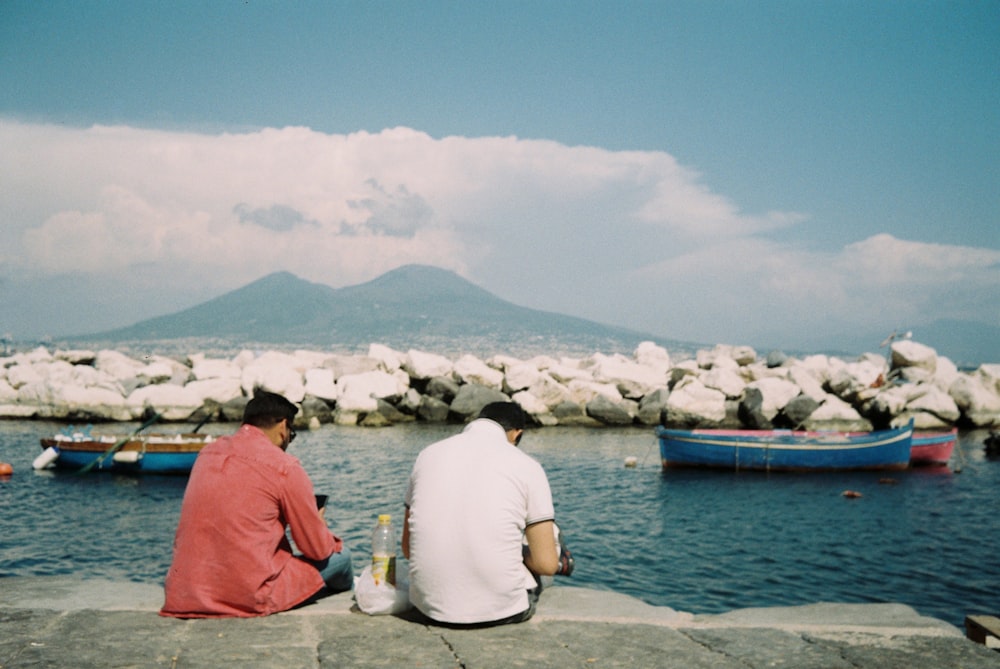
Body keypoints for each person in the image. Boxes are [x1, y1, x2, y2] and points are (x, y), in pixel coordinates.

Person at [160, 390, 352, 618]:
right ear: (283, 427)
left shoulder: (207, 454)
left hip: (185, 593)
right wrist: (319, 525)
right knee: (342, 557)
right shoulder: (285, 467)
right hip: (250, 596)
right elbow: (317, 550)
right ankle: (347, 595)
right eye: (292, 435)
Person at [402, 401, 562, 627]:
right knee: (546, 569)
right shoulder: (528, 466)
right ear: (517, 434)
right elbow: (547, 565)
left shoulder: (427, 455)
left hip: (427, 608)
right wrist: (524, 554)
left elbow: (408, 549)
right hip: (501, 612)